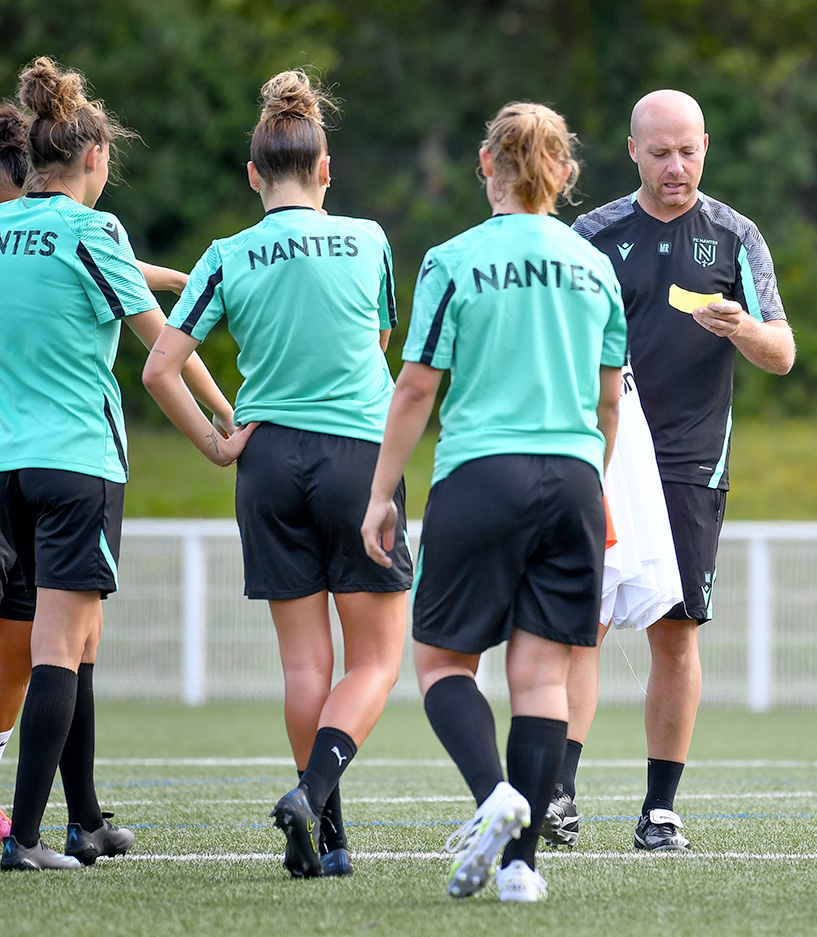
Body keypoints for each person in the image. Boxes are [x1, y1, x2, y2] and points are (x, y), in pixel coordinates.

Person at [142, 69, 410, 879]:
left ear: (253, 175)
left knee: (304, 665)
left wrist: (217, 442)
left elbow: (160, 368)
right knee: (375, 662)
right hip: (357, 458)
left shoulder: (225, 255)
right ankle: (312, 791)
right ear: (327, 170)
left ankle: (329, 839)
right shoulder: (369, 240)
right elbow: (381, 346)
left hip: (266, 463)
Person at [361, 101, 625, 903]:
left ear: (487, 164)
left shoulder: (453, 259)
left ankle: (493, 797)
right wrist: (593, 479)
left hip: (482, 472)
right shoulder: (596, 265)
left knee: (442, 659)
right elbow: (611, 399)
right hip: (575, 476)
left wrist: (381, 493)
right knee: (542, 680)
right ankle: (522, 869)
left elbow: (415, 388)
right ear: (566, 174)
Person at [0, 57, 238, 871]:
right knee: (60, 646)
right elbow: (160, 341)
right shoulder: (92, 229)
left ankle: (85, 820)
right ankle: (26, 837)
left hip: (8, 467)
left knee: (82, 639)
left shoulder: (3, 229)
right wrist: (224, 417)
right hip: (77, 464)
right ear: (95, 159)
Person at [550, 88, 795, 853]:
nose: (675, 166)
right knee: (580, 625)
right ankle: (558, 793)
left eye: (687, 150)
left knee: (676, 632)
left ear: (706, 147)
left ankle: (660, 809)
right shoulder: (591, 234)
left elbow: (783, 354)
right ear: (632, 152)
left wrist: (743, 327)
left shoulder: (734, 236)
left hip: (691, 457)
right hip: (604, 451)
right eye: (659, 152)